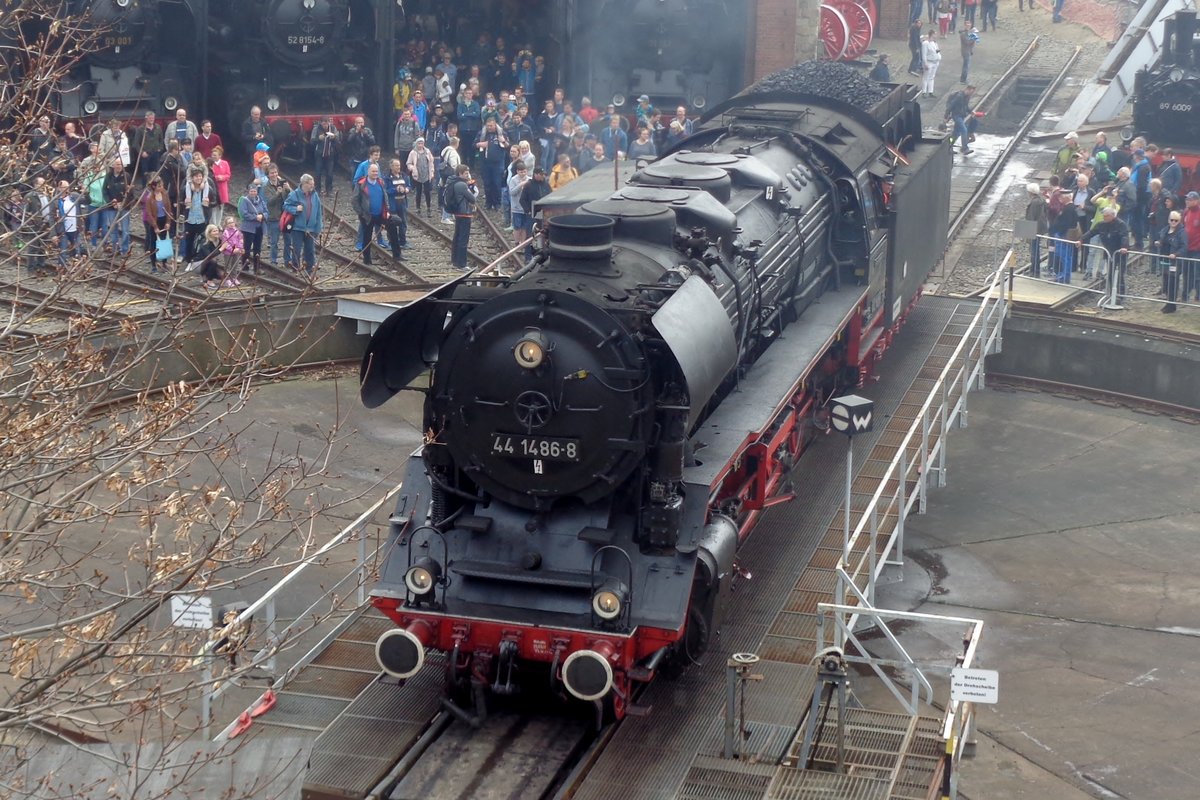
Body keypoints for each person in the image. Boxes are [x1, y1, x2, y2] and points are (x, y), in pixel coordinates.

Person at [1079, 205, 1130, 290]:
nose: (1104, 217)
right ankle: (1110, 292)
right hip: (1109, 252)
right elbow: (1091, 232)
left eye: (1106, 216)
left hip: (1120, 253)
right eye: (1103, 216)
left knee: (1119, 274)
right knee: (1110, 273)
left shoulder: (1121, 224)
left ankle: (1120, 294)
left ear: (1112, 215)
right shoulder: (1101, 224)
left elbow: (1124, 236)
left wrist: (1124, 247)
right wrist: (1081, 239)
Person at [352, 162, 389, 266]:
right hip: (367, 215)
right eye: (373, 171)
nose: (375, 173)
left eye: (376, 171)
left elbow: (385, 197)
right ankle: (367, 259)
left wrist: (387, 210)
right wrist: (361, 213)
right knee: (367, 237)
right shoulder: (361, 184)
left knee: (393, 226)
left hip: (380, 214)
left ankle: (396, 253)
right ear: (368, 172)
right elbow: (354, 200)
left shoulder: (380, 182)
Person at [444, 164, 478, 270]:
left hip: (458, 213)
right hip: (464, 213)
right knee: (463, 239)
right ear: (460, 174)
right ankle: (461, 264)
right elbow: (472, 198)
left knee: (457, 237)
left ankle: (455, 260)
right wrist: (473, 190)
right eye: (466, 173)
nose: (468, 175)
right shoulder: (462, 185)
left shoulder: (453, 182)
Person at [1155, 210, 1187, 313]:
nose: (1173, 222)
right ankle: (1168, 303)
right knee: (1166, 282)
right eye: (1171, 220)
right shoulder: (1165, 229)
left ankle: (1171, 305)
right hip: (1165, 259)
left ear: (1179, 221)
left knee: (1173, 283)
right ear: (1169, 220)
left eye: (1176, 220)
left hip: (1174, 262)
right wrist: (1159, 242)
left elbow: (1184, 247)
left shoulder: (1182, 232)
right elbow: (1161, 239)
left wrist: (1176, 254)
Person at [141, 176, 174, 273]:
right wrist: (155, 226)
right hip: (155, 221)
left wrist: (168, 222)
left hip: (164, 219)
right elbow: (149, 213)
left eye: (162, 185)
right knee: (153, 243)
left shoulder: (164, 194)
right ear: (154, 186)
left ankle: (164, 263)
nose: (162, 187)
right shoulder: (149, 197)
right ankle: (153, 264)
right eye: (159, 186)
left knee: (164, 242)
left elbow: (168, 208)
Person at [260, 164, 291, 266]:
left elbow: (292, 197)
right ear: (268, 175)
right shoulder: (265, 187)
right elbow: (269, 202)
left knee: (288, 240)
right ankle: (273, 260)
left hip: (285, 216)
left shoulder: (282, 183)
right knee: (274, 241)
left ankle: (287, 260)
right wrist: (277, 193)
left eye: (275, 172)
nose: (274, 174)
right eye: (272, 173)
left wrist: (288, 189)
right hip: (274, 217)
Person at [475, 119, 509, 210]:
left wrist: (503, 141)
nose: (489, 127)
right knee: (487, 184)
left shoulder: (502, 133)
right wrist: (479, 144)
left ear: (495, 125)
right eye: (488, 126)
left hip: (498, 163)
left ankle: (497, 203)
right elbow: (473, 145)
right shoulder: (481, 133)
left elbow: (508, 146)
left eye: (491, 125)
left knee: (497, 184)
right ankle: (488, 203)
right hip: (485, 163)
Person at [100, 159, 131, 255]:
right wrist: (111, 202)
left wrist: (124, 203)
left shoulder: (127, 176)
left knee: (125, 230)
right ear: (113, 166)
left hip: (124, 207)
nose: (119, 166)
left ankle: (125, 250)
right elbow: (104, 191)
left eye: (121, 164)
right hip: (112, 208)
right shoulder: (108, 177)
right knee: (113, 230)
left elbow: (131, 193)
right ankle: (115, 249)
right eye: (117, 164)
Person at [182, 168, 213, 261]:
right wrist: (184, 202)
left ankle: (199, 259)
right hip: (190, 219)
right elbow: (179, 200)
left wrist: (209, 203)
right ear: (192, 178)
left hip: (202, 219)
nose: (198, 178)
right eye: (196, 176)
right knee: (189, 241)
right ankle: (188, 259)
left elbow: (215, 201)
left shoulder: (208, 189)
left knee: (202, 241)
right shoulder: (186, 188)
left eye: (200, 176)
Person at [51, 179, 83, 267]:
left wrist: (86, 193)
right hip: (63, 229)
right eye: (63, 187)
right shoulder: (55, 201)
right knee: (63, 250)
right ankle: (62, 268)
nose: (66, 189)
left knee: (77, 249)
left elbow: (87, 201)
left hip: (75, 227)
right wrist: (53, 234)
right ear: (59, 188)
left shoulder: (74, 196)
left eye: (67, 187)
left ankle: (78, 268)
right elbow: (51, 218)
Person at [238, 181, 268, 273]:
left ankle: (256, 267)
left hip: (259, 227)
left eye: (254, 191)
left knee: (257, 248)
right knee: (246, 248)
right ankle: (244, 266)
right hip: (248, 228)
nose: (253, 193)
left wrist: (263, 216)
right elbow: (244, 214)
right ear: (248, 191)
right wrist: (255, 217)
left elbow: (266, 211)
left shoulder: (261, 200)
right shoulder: (244, 200)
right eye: (251, 191)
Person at [384, 158, 411, 259]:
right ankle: (392, 242)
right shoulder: (387, 177)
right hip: (393, 203)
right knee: (392, 223)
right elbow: (386, 190)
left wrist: (406, 189)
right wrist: (396, 189)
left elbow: (409, 185)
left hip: (402, 202)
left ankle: (403, 241)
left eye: (399, 165)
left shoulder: (404, 175)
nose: (398, 167)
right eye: (396, 165)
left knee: (403, 222)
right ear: (391, 166)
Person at [944, 84, 978, 156]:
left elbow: (965, 106)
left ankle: (949, 146)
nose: (972, 94)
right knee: (964, 130)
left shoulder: (967, 97)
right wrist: (946, 116)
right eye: (971, 92)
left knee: (955, 134)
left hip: (961, 116)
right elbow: (951, 106)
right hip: (956, 115)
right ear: (967, 89)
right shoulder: (959, 96)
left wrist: (970, 111)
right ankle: (964, 148)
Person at [132, 111, 164, 187]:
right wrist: (141, 152)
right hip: (145, 154)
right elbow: (136, 143)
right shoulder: (140, 129)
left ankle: (155, 187)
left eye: (153, 118)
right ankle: (145, 188)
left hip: (155, 154)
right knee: (145, 172)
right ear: (146, 118)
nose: (151, 120)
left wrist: (160, 148)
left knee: (155, 171)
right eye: (150, 118)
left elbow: (161, 140)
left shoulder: (158, 127)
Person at [407, 137, 436, 216]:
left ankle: (428, 208)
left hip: (426, 174)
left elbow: (431, 162)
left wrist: (432, 171)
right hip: (418, 175)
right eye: (419, 143)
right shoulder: (413, 152)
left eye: (422, 143)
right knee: (418, 192)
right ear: (416, 144)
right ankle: (418, 208)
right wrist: (412, 168)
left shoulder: (427, 151)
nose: (420, 145)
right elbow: (409, 163)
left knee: (427, 192)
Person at [1024, 183, 1048, 277]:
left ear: (1030, 192)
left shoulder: (1034, 202)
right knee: (1036, 249)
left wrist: (1027, 230)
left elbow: (1031, 217)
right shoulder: (1041, 200)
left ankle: (1034, 270)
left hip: (1034, 228)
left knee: (1034, 250)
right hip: (1040, 227)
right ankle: (1034, 269)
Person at [192, 224, 227, 289]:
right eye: (214, 231)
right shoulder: (205, 242)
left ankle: (206, 277)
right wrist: (221, 249)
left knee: (222, 275)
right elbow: (209, 256)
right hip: (199, 264)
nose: (216, 232)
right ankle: (209, 280)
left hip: (210, 263)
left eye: (217, 230)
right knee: (212, 261)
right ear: (209, 233)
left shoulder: (218, 241)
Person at [507, 161, 530, 247]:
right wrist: (520, 185)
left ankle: (523, 243)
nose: (523, 173)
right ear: (517, 171)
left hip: (525, 208)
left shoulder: (529, 179)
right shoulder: (513, 180)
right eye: (521, 172)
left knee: (524, 227)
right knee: (517, 226)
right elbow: (512, 192)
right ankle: (516, 242)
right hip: (516, 208)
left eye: (524, 171)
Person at [218, 215, 244, 284]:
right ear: (226, 224)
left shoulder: (237, 231)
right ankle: (228, 279)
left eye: (232, 222)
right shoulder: (225, 233)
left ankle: (234, 278)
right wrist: (232, 249)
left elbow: (240, 240)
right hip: (228, 252)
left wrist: (239, 248)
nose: (231, 224)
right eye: (229, 223)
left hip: (236, 251)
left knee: (235, 265)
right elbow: (225, 243)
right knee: (228, 266)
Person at [210, 145, 231, 210]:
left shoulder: (225, 163)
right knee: (213, 206)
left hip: (222, 187)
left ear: (220, 156)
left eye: (215, 155)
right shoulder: (210, 163)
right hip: (213, 186)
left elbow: (228, 175)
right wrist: (216, 178)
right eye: (212, 155)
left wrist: (223, 177)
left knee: (221, 206)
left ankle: (219, 220)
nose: (213, 156)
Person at [921, 32, 941, 97]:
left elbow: (937, 51)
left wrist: (939, 55)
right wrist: (925, 63)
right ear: (931, 35)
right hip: (929, 62)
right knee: (926, 77)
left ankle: (930, 92)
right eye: (934, 34)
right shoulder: (925, 43)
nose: (936, 36)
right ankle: (924, 92)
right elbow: (924, 54)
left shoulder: (934, 43)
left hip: (935, 62)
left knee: (932, 77)